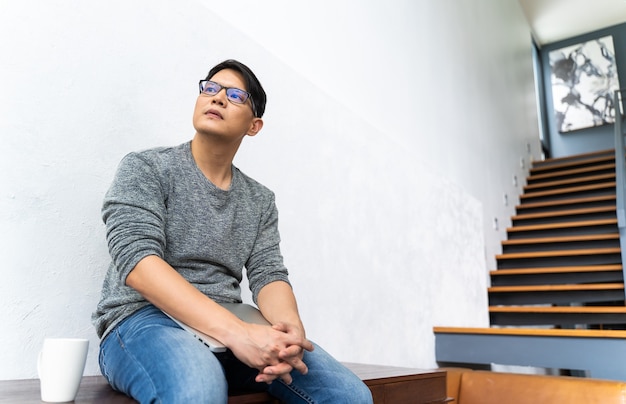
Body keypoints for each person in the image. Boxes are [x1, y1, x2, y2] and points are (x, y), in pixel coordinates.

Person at [92, 59, 373, 404]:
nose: (218, 98)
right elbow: (137, 265)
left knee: (349, 395)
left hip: (229, 329)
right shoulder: (147, 168)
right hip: (142, 321)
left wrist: (290, 331)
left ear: (254, 126)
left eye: (235, 95)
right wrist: (238, 334)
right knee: (199, 385)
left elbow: (269, 274)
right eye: (210, 88)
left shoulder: (260, 200)